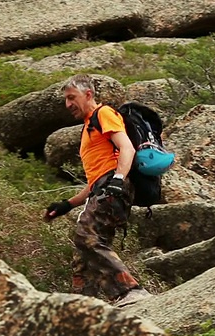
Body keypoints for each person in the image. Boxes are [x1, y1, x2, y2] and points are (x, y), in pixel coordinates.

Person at [43, 74, 151, 307]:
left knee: (86, 236)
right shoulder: (88, 128)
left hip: (114, 186)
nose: (68, 104)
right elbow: (94, 181)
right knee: (83, 257)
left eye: (72, 97)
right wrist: (67, 205)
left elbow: (127, 148)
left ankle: (130, 290)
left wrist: (119, 179)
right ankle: (85, 307)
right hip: (104, 186)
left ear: (88, 94)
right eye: (66, 99)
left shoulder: (104, 114)